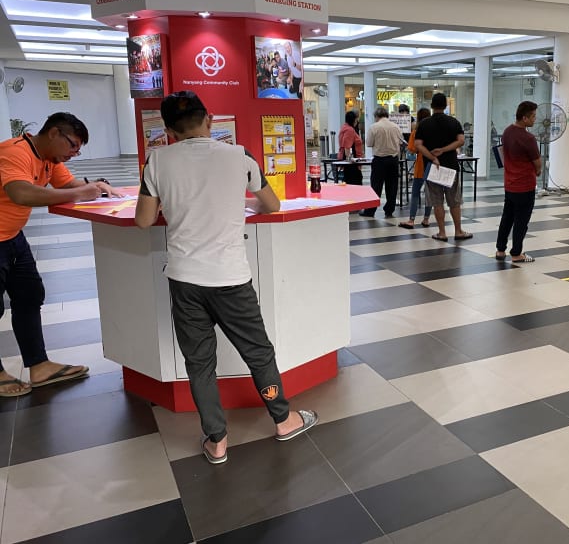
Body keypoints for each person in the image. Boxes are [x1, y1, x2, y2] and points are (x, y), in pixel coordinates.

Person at [135, 91, 317, 464]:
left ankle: (216, 440)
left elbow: (142, 219)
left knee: (200, 361)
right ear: (210, 120)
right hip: (231, 277)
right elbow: (271, 204)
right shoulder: (240, 156)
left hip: (185, 278)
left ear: (169, 130)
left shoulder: (156, 160)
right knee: (258, 351)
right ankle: (283, 420)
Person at [0, 112, 119, 397]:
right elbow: (21, 193)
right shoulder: (15, 152)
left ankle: (39, 365)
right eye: (73, 145)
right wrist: (80, 194)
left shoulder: (50, 160)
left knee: (29, 296)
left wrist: (96, 188)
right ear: (54, 133)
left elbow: (68, 185)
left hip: (12, 238)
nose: (74, 154)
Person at [415, 93, 472, 242]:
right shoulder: (454, 122)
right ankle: (458, 231)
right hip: (451, 166)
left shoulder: (424, 124)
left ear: (432, 106)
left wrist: (433, 157)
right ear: (446, 106)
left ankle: (442, 232)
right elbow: (460, 141)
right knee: (454, 201)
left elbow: (418, 145)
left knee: (437, 201)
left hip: (433, 167)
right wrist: (444, 150)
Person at [495, 101, 541, 263]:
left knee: (507, 217)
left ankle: (500, 249)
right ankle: (516, 253)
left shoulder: (507, 132)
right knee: (521, 221)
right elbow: (537, 162)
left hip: (510, 183)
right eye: (533, 116)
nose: (535, 119)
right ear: (524, 118)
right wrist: (538, 171)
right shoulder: (528, 138)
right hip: (525, 185)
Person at [359, 107, 404, 218]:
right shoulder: (396, 127)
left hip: (379, 160)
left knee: (376, 186)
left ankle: (370, 210)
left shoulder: (374, 127)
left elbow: (369, 143)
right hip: (393, 160)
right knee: (392, 186)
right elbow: (401, 141)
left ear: (376, 116)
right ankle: (389, 210)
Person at [398, 107, 433, 229]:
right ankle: (426, 219)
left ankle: (411, 220)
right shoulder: (434, 131)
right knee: (429, 193)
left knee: (415, 193)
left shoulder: (416, 131)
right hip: (433, 164)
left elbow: (412, 149)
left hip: (421, 165)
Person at [337, 110, 364, 186]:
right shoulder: (350, 130)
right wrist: (350, 159)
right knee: (355, 181)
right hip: (352, 162)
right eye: (356, 119)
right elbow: (347, 146)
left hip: (350, 161)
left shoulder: (345, 127)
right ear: (354, 120)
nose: (357, 121)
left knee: (351, 181)